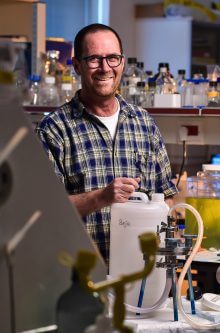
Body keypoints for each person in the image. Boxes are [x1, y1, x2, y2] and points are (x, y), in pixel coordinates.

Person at [36, 24, 177, 264]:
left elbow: (167, 198)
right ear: (77, 65)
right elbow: (45, 210)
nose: (105, 68)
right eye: (94, 59)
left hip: (142, 275)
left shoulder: (144, 123)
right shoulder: (53, 130)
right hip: (81, 278)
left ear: (122, 63)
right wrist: (101, 198)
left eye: (112, 58)